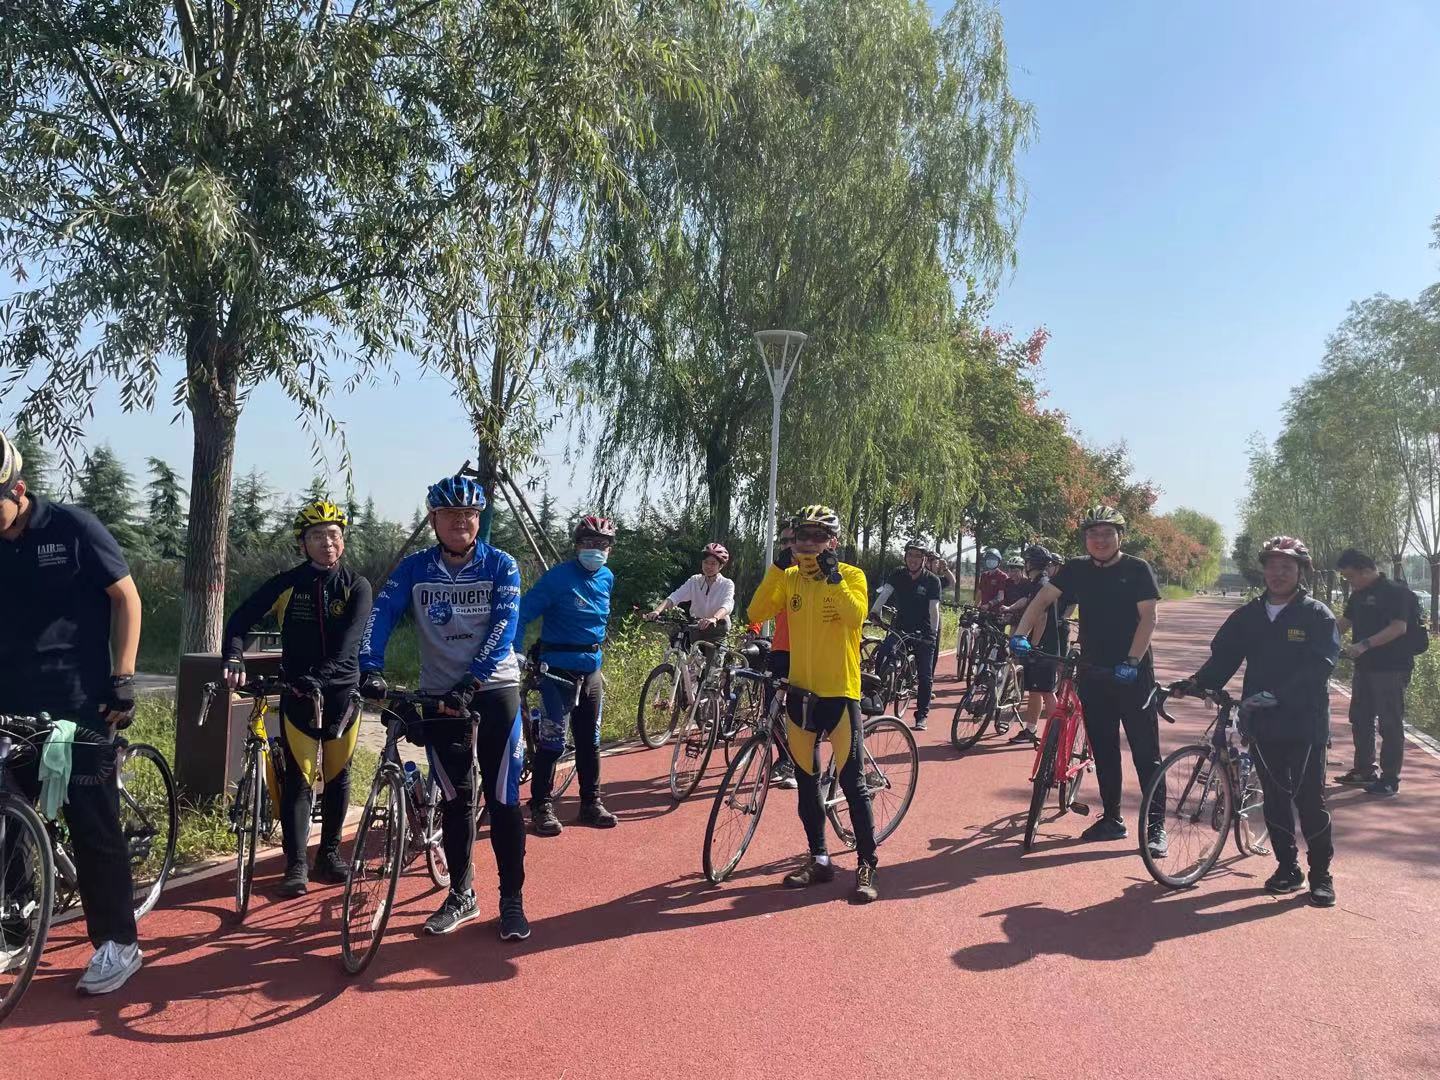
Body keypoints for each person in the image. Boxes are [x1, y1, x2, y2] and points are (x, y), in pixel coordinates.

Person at [0, 429, 144, 994]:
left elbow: (127, 598)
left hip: (79, 702)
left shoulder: (73, 528)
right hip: (9, 699)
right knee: (5, 818)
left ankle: (119, 943)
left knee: (92, 822)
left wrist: (123, 679)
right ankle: (13, 926)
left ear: (18, 489)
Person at [359, 475, 529, 941]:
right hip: (438, 694)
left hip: (493, 689)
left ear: (479, 520)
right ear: (433, 519)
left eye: (469, 514)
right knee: (455, 800)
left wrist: (471, 682)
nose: (461, 522)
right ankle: (461, 894)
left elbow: (505, 626)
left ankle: (512, 899)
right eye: (451, 514)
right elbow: (381, 613)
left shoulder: (501, 565)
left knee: (504, 800)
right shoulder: (415, 569)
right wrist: (369, 667)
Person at [1174, 536, 1338, 906]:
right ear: (1263, 570)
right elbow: (1224, 658)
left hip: (1305, 722)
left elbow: (1321, 666)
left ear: (1300, 572)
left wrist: (1280, 694)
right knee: (1275, 798)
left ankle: (1321, 875)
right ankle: (1287, 868)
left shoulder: (1317, 615)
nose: (1278, 573)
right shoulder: (1248, 615)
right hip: (1262, 721)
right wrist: (1196, 683)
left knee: (1309, 800)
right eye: (1272, 566)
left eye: (1287, 567)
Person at [221, 499, 372, 898]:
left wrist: (318, 678)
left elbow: (348, 646)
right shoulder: (287, 584)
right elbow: (240, 619)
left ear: (343, 540)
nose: (328, 543)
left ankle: (330, 853)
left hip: (341, 694)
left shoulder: (357, 586)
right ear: (302, 543)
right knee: (299, 778)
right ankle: (296, 864)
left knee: (337, 776)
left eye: (334, 535)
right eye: (317, 536)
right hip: (298, 694)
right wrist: (233, 656)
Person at [1012, 506, 1166, 854]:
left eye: (1107, 533)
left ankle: (1156, 826)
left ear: (1120, 537)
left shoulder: (1137, 569)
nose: (1100, 540)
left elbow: (1149, 618)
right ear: (1086, 538)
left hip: (1133, 673)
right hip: (1094, 671)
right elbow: (1041, 600)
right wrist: (1020, 633)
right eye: (1093, 533)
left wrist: (1132, 660)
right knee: (1105, 748)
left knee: (1146, 753)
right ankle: (1112, 819)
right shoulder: (1077, 568)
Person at [748, 505, 879, 902]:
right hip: (801, 695)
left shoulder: (852, 575)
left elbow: (855, 617)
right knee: (807, 783)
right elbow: (756, 612)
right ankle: (819, 859)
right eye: (801, 536)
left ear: (832, 542)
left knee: (853, 784)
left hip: (840, 694)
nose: (808, 543)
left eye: (817, 536)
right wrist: (776, 567)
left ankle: (867, 863)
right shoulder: (790, 579)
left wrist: (833, 576)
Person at [519, 515, 619, 837]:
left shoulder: (607, 577)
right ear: (577, 546)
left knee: (590, 741)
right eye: (589, 543)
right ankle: (540, 806)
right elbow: (521, 613)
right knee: (552, 741)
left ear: (610, 549)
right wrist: (515, 653)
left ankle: (591, 803)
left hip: (591, 672)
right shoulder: (557, 578)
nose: (596, 549)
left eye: (602, 544)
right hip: (556, 672)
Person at [1334, 548, 1414, 796]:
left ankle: (1390, 779)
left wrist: (1364, 645)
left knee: (1389, 723)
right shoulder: (1357, 595)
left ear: (1366, 570)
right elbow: (1344, 624)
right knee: (1360, 719)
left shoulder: (1395, 592)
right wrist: (1317, 636)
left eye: (1351, 577)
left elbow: (1399, 627)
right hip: (1364, 667)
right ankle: (1364, 770)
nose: (1350, 583)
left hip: (1391, 668)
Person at [869, 538, 941, 732]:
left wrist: (932, 634)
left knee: (925, 676)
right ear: (905, 556)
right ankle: (875, 704)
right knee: (883, 655)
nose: (913, 559)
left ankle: (921, 715)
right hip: (900, 627)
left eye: (918, 556)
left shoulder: (932, 581)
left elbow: (934, 609)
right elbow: (885, 594)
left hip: (924, 632)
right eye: (910, 555)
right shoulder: (898, 574)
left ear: (924, 559)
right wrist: (874, 612)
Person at [999, 545, 1059, 746]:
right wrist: (1010, 607)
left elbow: (1041, 617)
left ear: (1031, 563)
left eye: (1026, 561)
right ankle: (1031, 730)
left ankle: (1057, 734)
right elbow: (1027, 601)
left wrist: (1033, 645)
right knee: (1035, 689)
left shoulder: (1042, 583)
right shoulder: (1038, 583)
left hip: (1044, 646)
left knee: (1047, 691)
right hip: (1041, 645)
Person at [644, 543, 735, 643]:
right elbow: (675, 597)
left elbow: (727, 605)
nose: (708, 566)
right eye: (705, 562)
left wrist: (714, 618)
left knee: (712, 652)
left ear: (720, 566)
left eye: (713, 563)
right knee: (679, 643)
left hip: (717, 627)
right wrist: (657, 611)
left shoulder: (727, 584)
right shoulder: (695, 581)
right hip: (697, 625)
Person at [767, 524, 798, 789]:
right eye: (784, 541)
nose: (788, 546)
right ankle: (785, 756)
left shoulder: (813, 573)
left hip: (807, 652)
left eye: (792, 540)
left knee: (802, 713)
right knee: (771, 707)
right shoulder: (780, 573)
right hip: (780, 647)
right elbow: (763, 603)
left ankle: (803, 767)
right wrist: (753, 629)